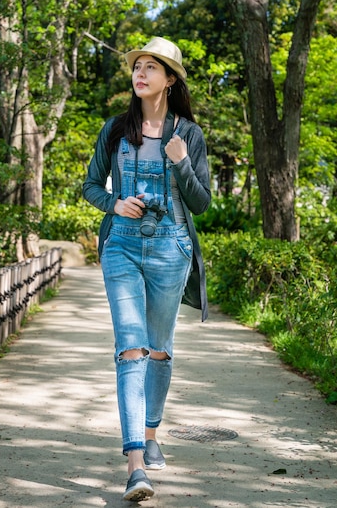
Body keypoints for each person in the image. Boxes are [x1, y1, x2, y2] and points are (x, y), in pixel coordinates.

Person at [83, 36, 211, 502]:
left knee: (159, 350)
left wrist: (180, 164)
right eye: (137, 66)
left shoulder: (189, 136)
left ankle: (152, 432)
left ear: (170, 80)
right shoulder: (115, 129)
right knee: (131, 348)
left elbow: (201, 204)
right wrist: (116, 204)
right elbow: (91, 186)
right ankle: (136, 463)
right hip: (121, 247)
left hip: (171, 249)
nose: (140, 73)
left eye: (151, 67)